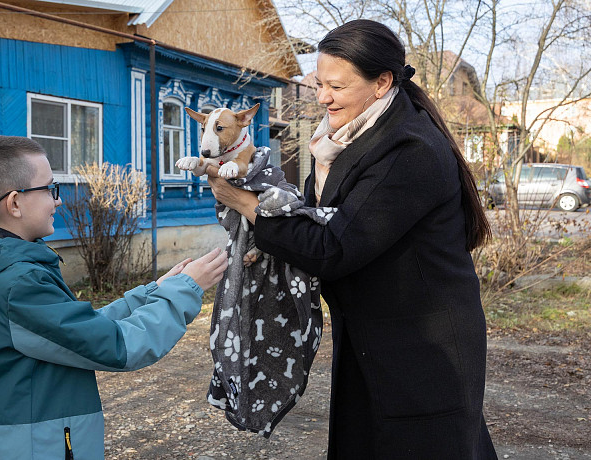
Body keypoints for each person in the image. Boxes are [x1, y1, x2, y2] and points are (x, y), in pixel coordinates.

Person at [208, 19, 497, 459]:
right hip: (372, 335)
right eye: (320, 83)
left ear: (381, 83)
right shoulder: (340, 143)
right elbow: (308, 218)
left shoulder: (409, 150)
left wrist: (244, 203)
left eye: (336, 87)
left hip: (423, 351)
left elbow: (333, 247)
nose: (322, 96)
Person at [0, 135, 228, 460]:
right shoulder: (16, 283)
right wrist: (185, 290)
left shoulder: (5, 267)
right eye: (49, 189)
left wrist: (154, 292)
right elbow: (120, 346)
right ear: (14, 203)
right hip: (27, 446)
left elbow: (79, 329)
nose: (57, 200)